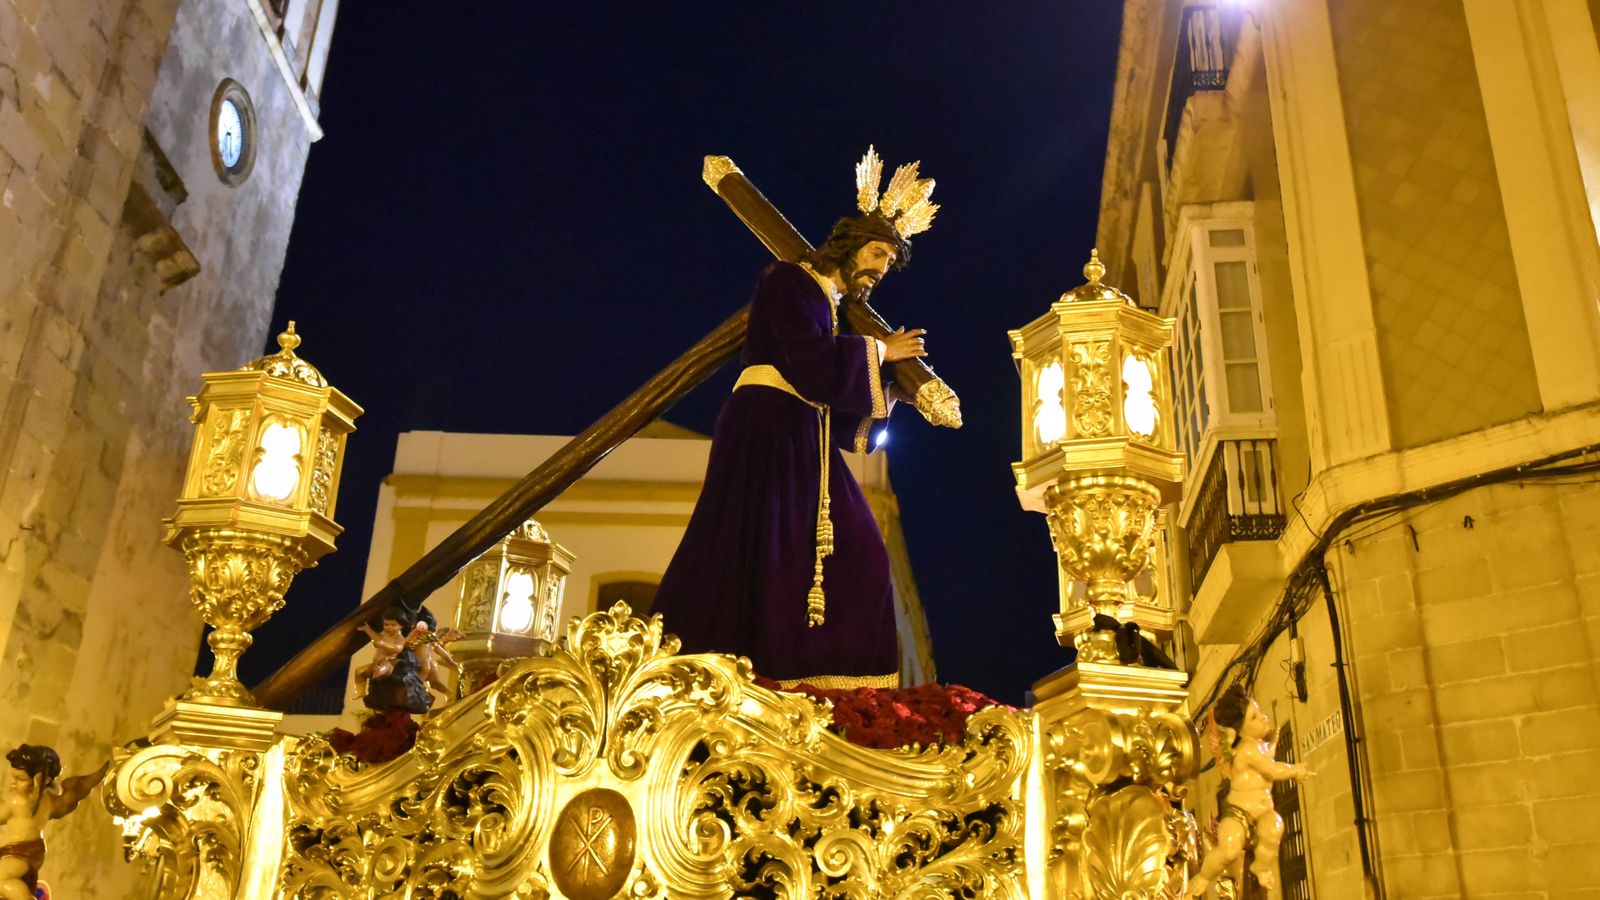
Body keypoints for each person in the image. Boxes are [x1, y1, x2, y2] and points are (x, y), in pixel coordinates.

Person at [651, 148, 937, 689]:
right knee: (759, 543)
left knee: (839, 553)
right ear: (850, 244)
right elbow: (809, 363)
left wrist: (893, 391)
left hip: (799, 429)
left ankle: (797, 669)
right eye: (876, 253)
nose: (878, 271)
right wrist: (879, 353)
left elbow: (834, 398)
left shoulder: (828, 306)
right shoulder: (787, 281)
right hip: (768, 426)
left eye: (887, 264)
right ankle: (755, 664)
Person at [1190, 685, 1312, 895]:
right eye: (1254, 717)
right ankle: (1204, 876)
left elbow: (1267, 759)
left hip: (1263, 811)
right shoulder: (1247, 749)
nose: (1264, 718)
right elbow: (1272, 770)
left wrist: (1272, 743)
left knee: (1274, 826)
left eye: (1260, 713)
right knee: (1228, 849)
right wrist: (1295, 770)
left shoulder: (1260, 747)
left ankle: (1261, 867)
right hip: (1239, 813)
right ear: (1240, 730)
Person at [0, 745, 107, 900]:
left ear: (40, 778)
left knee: (1, 878)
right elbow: (70, 797)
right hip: (33, 852)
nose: (13, 783)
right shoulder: (51, 802)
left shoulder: (19, 801)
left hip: (19, 853)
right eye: (14, 778)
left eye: (20, 779)